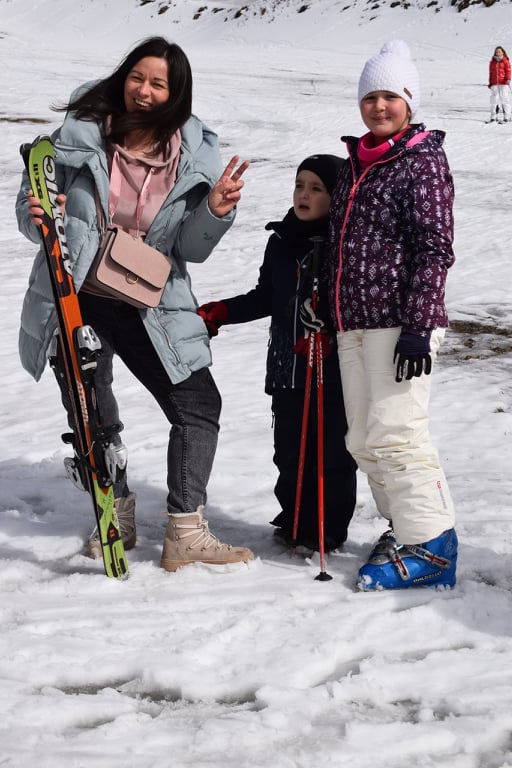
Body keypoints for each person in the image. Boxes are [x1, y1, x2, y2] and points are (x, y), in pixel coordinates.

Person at [15, 35, 254, 572]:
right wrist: (36, 214)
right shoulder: (79, 137)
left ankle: (186, 531)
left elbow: (190, 248)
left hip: (151, 302)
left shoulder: (191, 157)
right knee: (92, 413)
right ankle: (114, 513)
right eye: (137, 78)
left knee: (197, 406)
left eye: (158, 84)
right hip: (76, 296)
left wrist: (214, 211)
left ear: (176, 93)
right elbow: (34, 218)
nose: (143, 91)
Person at [327, 39, 458, 590]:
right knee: (363, 440)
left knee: (399, 436)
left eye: (390, 96)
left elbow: (434, 248)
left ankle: (433, 546)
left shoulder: (421, 162)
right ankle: (405, 527)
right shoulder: (355, 164)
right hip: (353, 323)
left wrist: (419, 327)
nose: (378, 106)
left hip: (401, 325)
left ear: (410, 102)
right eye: (369, 96)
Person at [197, 155, 357, 554]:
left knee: (331, 454)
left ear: (337, 196)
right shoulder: (281, 240)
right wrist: (222, 312)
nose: (304, 195)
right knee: (289, 451)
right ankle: (295, 518)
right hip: (288, 368)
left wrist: (329, 329)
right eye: (299, 185)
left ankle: (327, 528)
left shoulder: (348, 243)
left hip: (333, 372)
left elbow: (357, 305)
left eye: (316, 189)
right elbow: (266, 296)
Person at [487, 45, 511, 123]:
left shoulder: (505, 61)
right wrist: (490, 82)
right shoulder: (492, 62)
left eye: (499, 51)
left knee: (505, 99)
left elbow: (508, 70)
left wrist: (508, 79)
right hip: (494, 83)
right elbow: (491, 73)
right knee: (494, 100)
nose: (498, 53)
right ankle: (493, 117)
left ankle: (507, 116)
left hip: (503, 83)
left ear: (502, 52)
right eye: (497, 51)